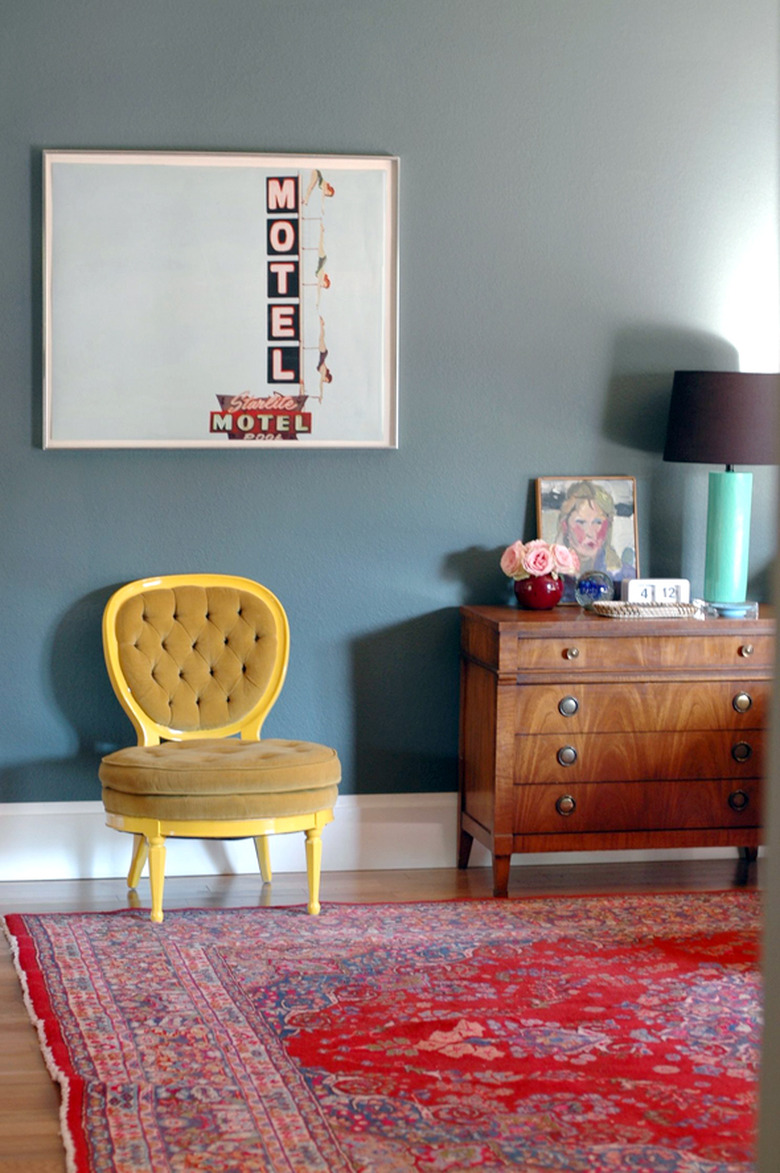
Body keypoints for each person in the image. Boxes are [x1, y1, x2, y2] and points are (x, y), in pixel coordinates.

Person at [554, 480, 635, 599]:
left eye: (598, 522)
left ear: (608, 526)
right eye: (580, 522)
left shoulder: (625, 575)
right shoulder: (554, 577)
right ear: (565, 526)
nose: (590, 533)